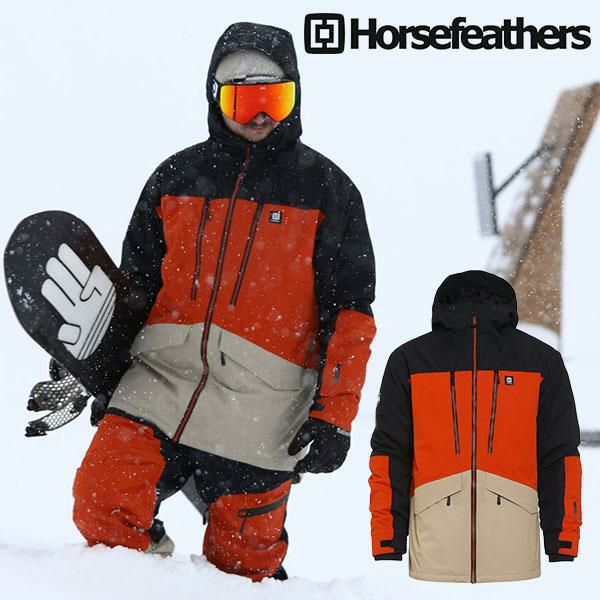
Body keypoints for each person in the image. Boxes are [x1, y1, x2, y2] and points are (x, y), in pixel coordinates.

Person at [71, 22, 376, 581]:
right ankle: (139, 583)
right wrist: (105, 368)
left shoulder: (329, 191)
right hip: (160, 383)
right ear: (215, 98)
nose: (259, 116)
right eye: (243, 100)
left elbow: (350, 316)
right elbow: (134, 288)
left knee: (244, 568)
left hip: (266, 409)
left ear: (295, 97)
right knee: (102, 506)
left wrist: (335, 416)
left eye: (274, 99)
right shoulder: (174, 178)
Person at [369, 270, 581, 583]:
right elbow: (390, 455)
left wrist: (563, 539)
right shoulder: (409, 362)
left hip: (513, 566)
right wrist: (387, 541)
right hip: (433, 563)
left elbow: (560, 456)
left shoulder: (541, 363)